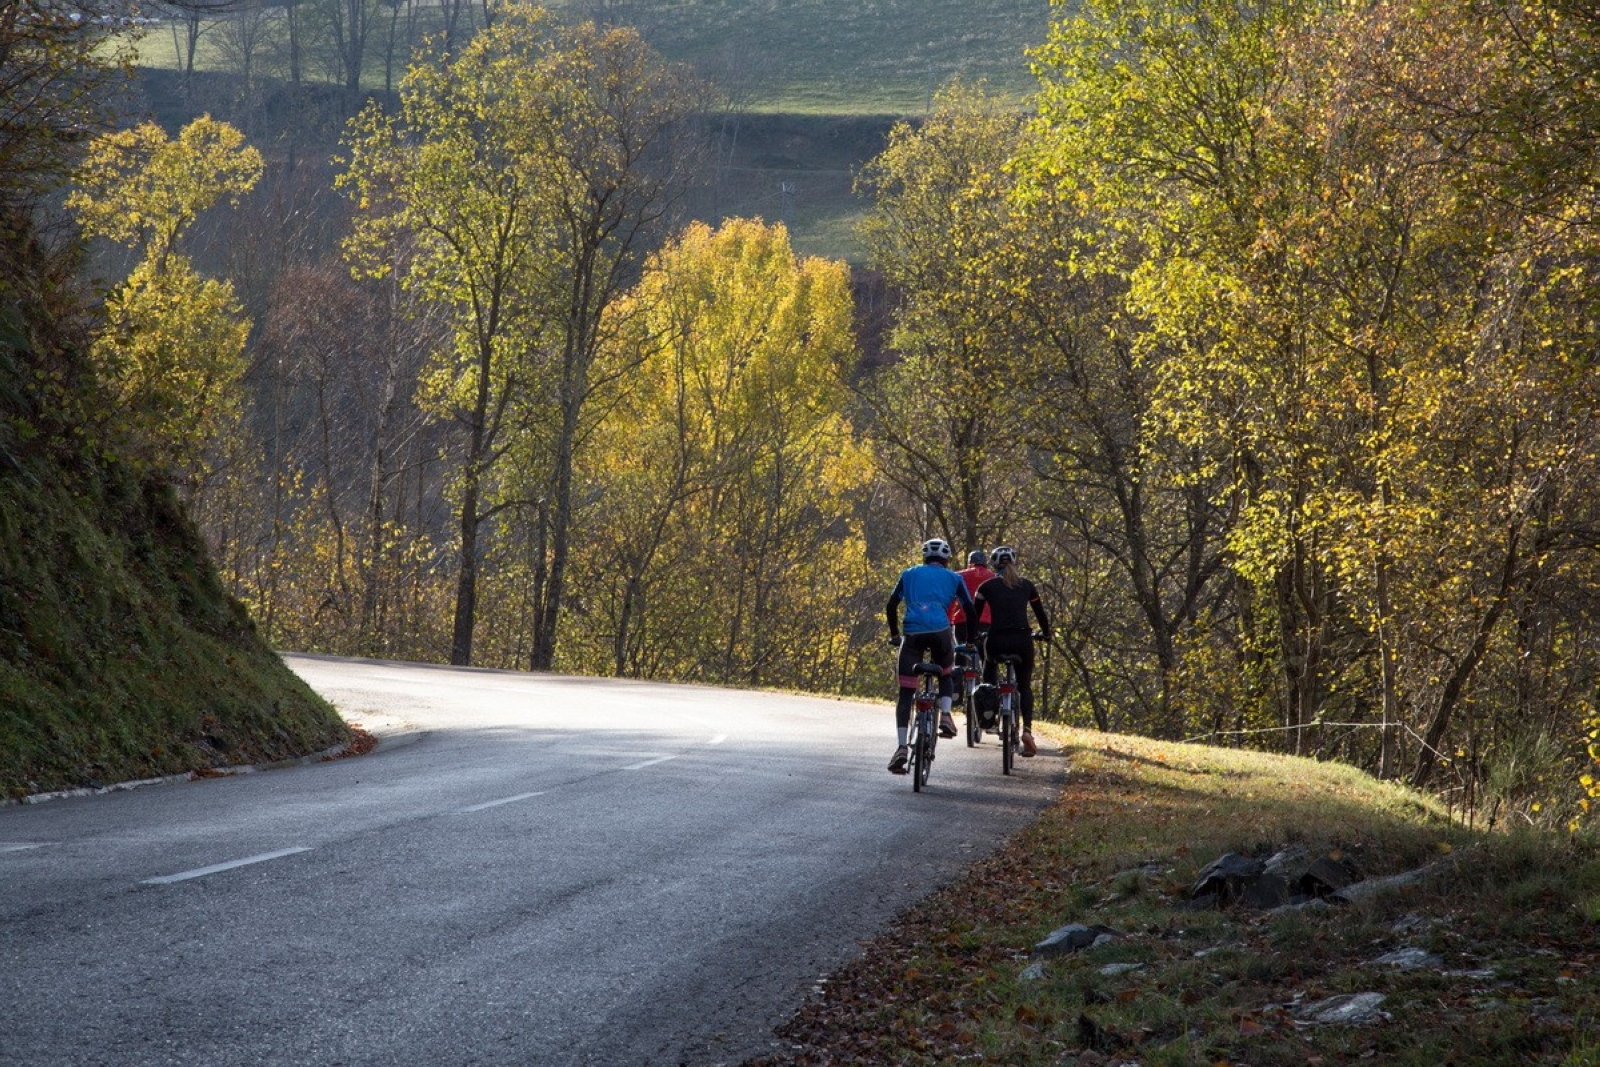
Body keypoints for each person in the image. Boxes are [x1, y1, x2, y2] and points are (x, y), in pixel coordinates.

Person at [885, 537, 976, 775]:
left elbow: (891, 604)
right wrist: (970, 639)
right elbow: (969, 608)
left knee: (906, 692)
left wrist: (895, 634)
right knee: (946, 672)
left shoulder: (909, 574)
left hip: (913, 632)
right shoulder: (955, 578)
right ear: (946, 558)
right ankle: (945, 715)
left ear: (924, 556)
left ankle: (902, 747)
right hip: (941, 632)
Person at [965, 545, 1051, 758]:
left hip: (997, 640)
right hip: (1022, 640)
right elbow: (1040, 614)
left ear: (994, 564)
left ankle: (990, 711)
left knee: (990, 668)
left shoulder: (986, 587)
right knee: (1024, 687)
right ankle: (1028, 731)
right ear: (1014, 563)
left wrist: (972, 638)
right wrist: (1046, 633)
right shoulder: (1027, 586)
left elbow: (974, 618)